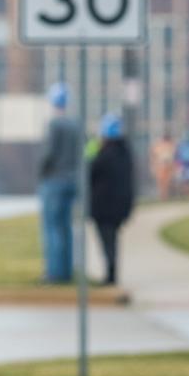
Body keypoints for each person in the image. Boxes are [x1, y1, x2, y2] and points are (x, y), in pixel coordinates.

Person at [38, 83, 80, 283]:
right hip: (72, 180)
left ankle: (54, 273)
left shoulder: (55, 125)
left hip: (54, 180)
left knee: (52, 228)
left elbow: (49, 154)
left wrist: (42, 172)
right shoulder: (75, 125)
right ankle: (66, 271)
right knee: (66, 228)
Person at [88, 114, 135, 286]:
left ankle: (111, 274)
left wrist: (92, 151)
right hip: (119, 207)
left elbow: (90, 171)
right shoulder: (125, 153)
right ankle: (112, 273)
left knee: (107, 242)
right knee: (112, 241)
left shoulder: (105, 153)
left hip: (104, 207)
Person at [151, 130, 176, 200]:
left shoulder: (171, 145)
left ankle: (165, 195)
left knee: (167, 182)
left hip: (168, 165)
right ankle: (162, 195)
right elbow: (153, 156)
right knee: (161, 182)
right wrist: (153, 165)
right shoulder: (158, 145)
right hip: (160, 165)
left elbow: (174, 156)